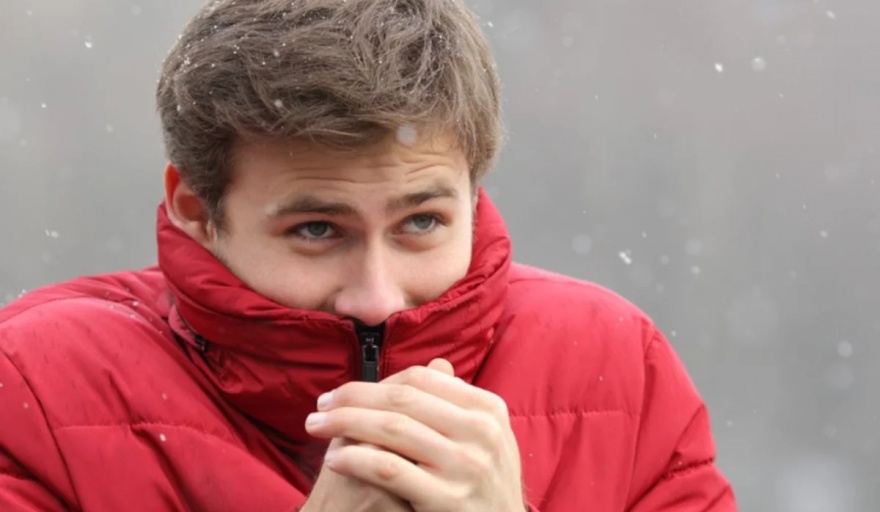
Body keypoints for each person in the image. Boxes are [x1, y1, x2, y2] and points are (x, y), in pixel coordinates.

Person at [0, 0, 737, 510]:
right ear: (196, 208)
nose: (378, 295)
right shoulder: (34, 388)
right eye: (318, 230)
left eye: (421, 221)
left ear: (473, 193)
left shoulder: (617, 363)